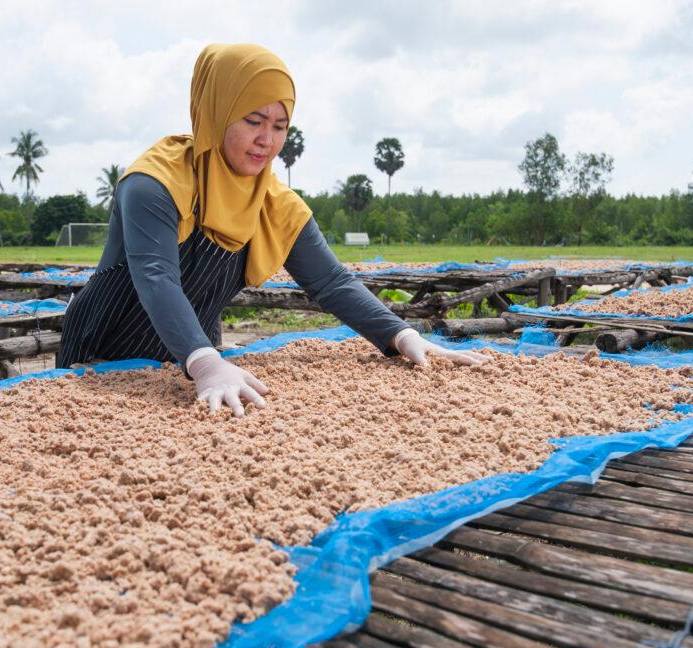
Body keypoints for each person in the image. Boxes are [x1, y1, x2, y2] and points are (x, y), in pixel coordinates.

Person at [57, 43, 487, 416]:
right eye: (253, 120)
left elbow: (331, 282)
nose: (267, 139)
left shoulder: (275, 205)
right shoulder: (155, 183)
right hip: (103, 355)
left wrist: (400, 334)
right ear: (217, 111)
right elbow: (156, 276)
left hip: (200, 367)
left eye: (280, 126)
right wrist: (205, 363)